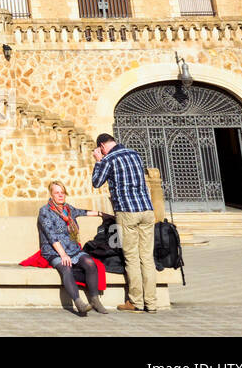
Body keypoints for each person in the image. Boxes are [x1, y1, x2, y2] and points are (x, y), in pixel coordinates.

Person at [92, 133, 158, 312]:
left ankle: (136, 302)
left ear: (102, 147)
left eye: (101, 150)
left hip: (127, 211)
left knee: (132, 258)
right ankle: (151, 303)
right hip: (147, 210)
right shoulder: (134, 154)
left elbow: (96, 182)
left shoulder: (109, 159)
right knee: (147, 257)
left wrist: (98, 161)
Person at [37, 180, 108, 316]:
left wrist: (101, 214)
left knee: (90, 263)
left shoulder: (68, 209)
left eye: (62, 192)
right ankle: (79, 302)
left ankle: (95, 300)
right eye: (57, 192)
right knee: (66, 268)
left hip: (72, 248)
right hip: (54, 251)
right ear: (51, 194)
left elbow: (83, 212)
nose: (60, 195)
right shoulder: (45, 211)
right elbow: (51, 235)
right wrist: (63, 254)